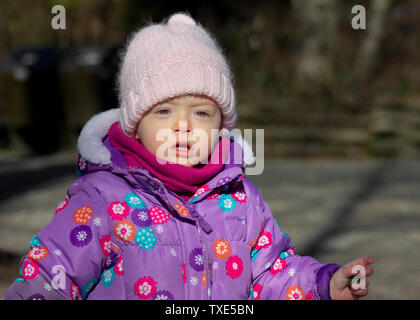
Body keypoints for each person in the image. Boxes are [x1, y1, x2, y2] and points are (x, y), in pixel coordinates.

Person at [3, 12, 373, 300]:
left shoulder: (240, 201)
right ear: (135, 124)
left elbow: (271, 272)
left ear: (221, 126)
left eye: (201, 113)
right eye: (164, 112)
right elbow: (53, 275)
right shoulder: (101, 200)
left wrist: (322, 284)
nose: (184, 126)